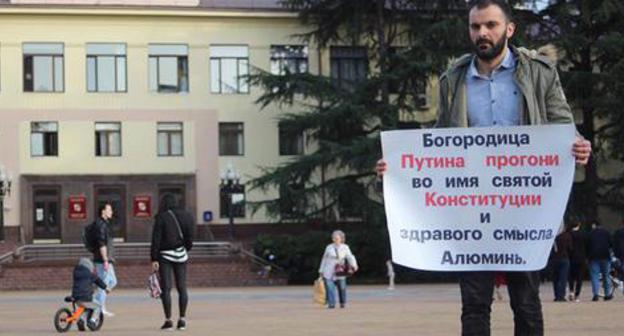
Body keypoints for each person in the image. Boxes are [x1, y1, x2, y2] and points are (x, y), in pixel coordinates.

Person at [376, 1, 591, 334]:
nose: (482, 33)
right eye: (475, 26)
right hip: (471, 212)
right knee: (474, 305)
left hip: (524, 208)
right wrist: (401, 166)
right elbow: (441, 139)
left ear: (509, 29)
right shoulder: (453, 79)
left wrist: (578, 144)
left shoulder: (539, 72)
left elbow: (562, 124)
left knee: (527, 302)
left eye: (490, 25)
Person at [151, 194, 194, 331]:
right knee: (182, 287)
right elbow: (190, 237)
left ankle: (168, 320)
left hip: (165, 256)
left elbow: (156, 239)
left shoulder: (162, 217)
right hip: (181, 254)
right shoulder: (187, 215)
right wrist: (185, 249)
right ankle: (182, 320)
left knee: (166, 288)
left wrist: (154, 258)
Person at [318, 230, 358, 309]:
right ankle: (331, 304)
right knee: (329, 288)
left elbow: (350, 257)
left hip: (340, 270)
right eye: (334, 238)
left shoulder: (345, 247)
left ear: (341, 239)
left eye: (337, 238)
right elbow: (324, 259)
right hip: (328, 270)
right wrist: (321, 270)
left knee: (342, 287)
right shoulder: (329, 247)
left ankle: (342, 302)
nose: (335, 240)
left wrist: (354, 265)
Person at [92, 202, 117, 318]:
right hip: (102, 260)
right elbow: (101, 243)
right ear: (103, 211)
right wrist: (105, 260)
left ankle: (96, 302)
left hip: (106, 259)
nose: (111, 212)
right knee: (103, 284)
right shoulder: (100, 225)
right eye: (109, 209)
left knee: (112, 282)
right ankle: (99, 308)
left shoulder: (105, 224)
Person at [72, 257, 109, 331]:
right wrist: (106, 288)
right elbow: (98, 281)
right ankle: (92, 321)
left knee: (86, 308)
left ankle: (81, 320)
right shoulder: (90, 274)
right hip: (85, 297)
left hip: (76, 297)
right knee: (98, 306)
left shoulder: (76, 273)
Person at [586, 220, 613, 301]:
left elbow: (587, 246)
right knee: (606, 276)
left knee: (595, 276)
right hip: (605, 256)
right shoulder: (607, 232)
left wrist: (587, 256)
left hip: (593, 257)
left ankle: (596, 294)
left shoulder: (590, 234)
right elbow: (611, 244)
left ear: (594, 225)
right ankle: (607, 294)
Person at [551, 228, 573, 302]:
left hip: (554, 259)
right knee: (563, 279)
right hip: (564, 258)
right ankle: (561, 296)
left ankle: (556, 295)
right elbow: (570, 248)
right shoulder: (567, 236)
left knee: (555, 278)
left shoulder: (553, 236)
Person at [568, 220, 587, 302]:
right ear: (579, 225)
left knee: (571, 276)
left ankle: (571, 291)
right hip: (581, 258)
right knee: (579, 277)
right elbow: (587, 246)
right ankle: (577, 295)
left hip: (571, 258)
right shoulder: (583, 234)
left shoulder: (569, 234)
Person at [613, 219, 624, 293]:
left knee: (621, 267)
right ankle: (619, 280)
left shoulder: (617, 232)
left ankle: (619, 281)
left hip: (620, 254)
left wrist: (615, 253)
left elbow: (614, 244)